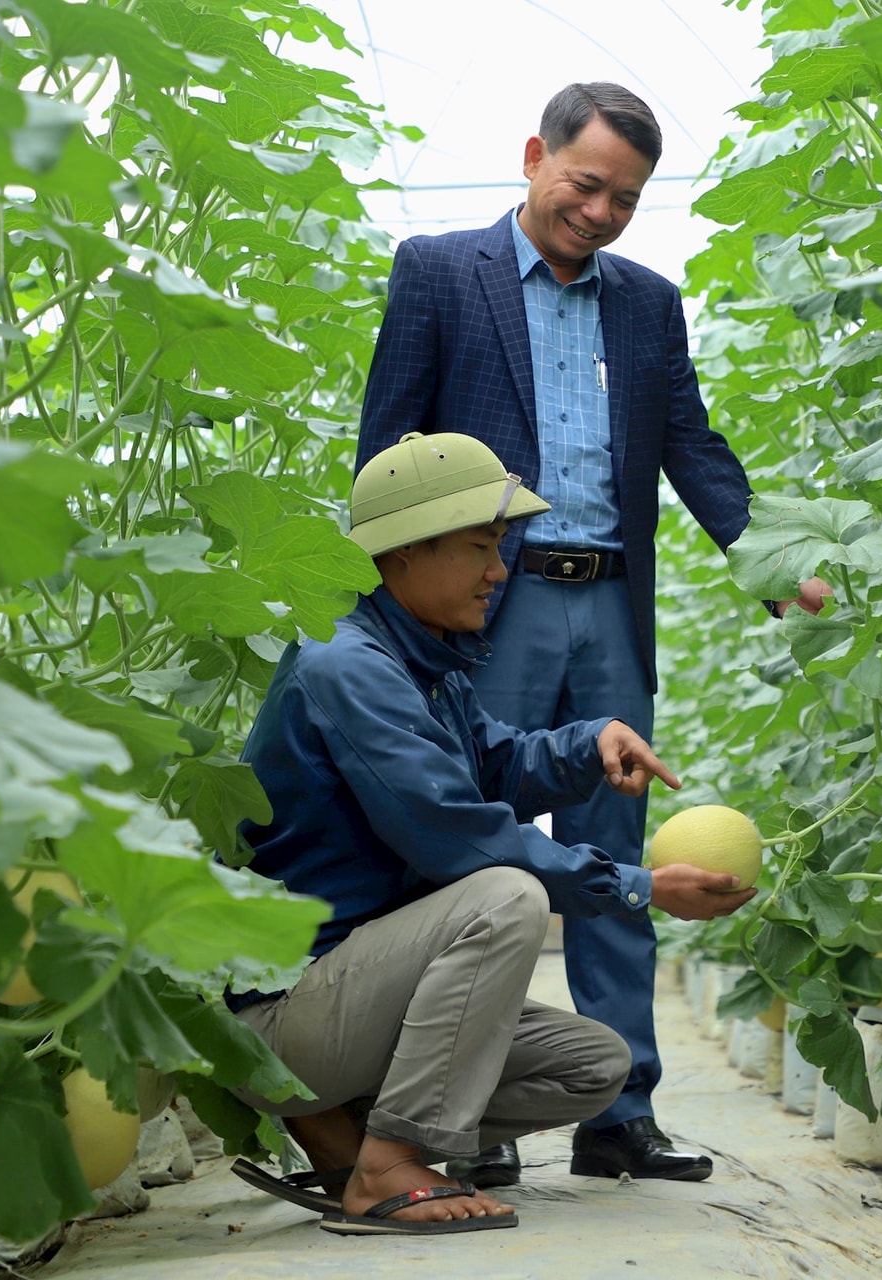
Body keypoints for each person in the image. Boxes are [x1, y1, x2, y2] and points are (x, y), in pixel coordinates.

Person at [356, 82, 829, 1187]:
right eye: (586, 185)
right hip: (491, 605)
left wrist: (770, 564)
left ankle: (622, 1114)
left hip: (607, 602)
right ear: (535, 157)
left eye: (625, 198)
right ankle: (471, 1116)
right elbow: (390, 448)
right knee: (476, 858)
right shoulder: (439, 272)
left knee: (618, 852)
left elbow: (693, 449)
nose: (601, 213)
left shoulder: (647, 304)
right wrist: (399, 608)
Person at [224, 431, 754, 1235]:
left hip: (360, 1004)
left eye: (499, 546)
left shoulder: (417, 660)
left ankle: (348, 1130)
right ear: (403, 553)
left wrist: (589, 741)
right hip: (287, 1014)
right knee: (504, 893)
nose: (500, 570)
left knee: (594, 1067)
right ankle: (387, 1164)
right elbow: (462, 836)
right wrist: (641, 887)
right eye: (481, 546)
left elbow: (496, 761)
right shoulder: (347, 667)